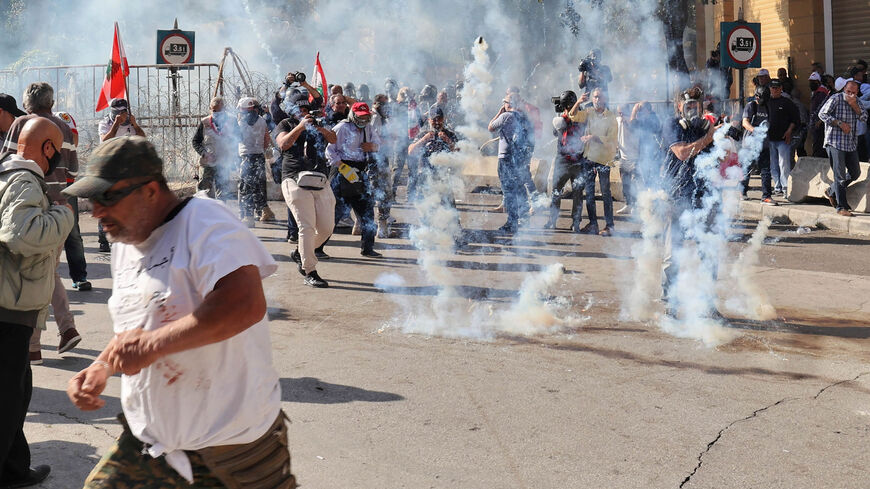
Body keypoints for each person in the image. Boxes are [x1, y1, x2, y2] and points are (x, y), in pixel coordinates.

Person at [64, 136, 295, 489]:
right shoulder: (127, 241)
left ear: (151, 190)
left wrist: (153, 346)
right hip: (151, 442)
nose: (96, 211)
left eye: (107, 197)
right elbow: (139, 327)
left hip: (230, 449)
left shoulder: (205, 222)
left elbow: (244, 304)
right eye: (92, 199)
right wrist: (103, 365)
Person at [0, 117, 74, 489]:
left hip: (12, 306)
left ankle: (14, 469)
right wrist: (63, 213)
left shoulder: (7, 176)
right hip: (8, 311)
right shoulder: (23, 180)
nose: (57, 158)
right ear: (47, 149)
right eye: (56, 150)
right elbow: (22, 234)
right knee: (7, 400)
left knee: (16, 392)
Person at [2, 82, 85, 363]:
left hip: (27, 207)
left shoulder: (23, 124)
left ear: (28, 103)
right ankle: (65, 329)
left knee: (33, 273)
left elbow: (8, 159)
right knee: (48, 270)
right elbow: (73, 169)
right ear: (51, 102)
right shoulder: (64, 126)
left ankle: (32, 346)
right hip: (60, 209)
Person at [660, 87, 717, 312]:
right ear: (679, 107)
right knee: (673, 252)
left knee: (709, 251)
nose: (693, 109)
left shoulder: (704, 127)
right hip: (678, 194)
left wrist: (716, 137)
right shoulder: (672, 125)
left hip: (703, 194)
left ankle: (707, 305)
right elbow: (682, 153)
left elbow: (714, 157)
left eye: (696, 105)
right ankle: (670, 304)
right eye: (688, 106)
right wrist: (707, 138)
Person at [277, 95, 337, 287]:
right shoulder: (285, 124)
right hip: (294, 179)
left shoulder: (318, 123)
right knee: (307, 227)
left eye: (305, 110)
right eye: (299, 109)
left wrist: (318, 126)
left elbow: (333, 139)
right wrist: (300, 126)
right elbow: (283, 144)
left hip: (319, 178)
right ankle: (310, 270)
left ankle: (300, 253)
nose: (303, 113)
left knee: (327, 228)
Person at [326, 102, 383, 257]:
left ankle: (368, 248)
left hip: (360, 172)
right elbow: (329, 151)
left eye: (366, 116)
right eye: (360, 116)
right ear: (353, 114)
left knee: (367, 212)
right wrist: (343, 168)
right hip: (341, 171)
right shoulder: (342, 128)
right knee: (335, 213)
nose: (363, 119)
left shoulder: (369, 128)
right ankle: (318, 247)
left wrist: (372, 146)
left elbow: (378, 144)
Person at [568, 88, 619, 236]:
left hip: (603, 160)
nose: (597, 100)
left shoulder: (611, 118)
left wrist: (594, 138)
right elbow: (572, 116)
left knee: (605, 193)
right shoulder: (589, 112)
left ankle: (610, 226)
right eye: (595, 97)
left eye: (599, 97)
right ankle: (593, 224)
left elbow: (611, 142)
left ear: (605, 99)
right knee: (589, 193)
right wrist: (578, 102)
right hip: (589, 158)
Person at [818, 79, 868, 217]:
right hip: (835, 142)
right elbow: (822, 114)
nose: (850, 95)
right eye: (848, 92)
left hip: (850, 143)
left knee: (855, 173)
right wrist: (839, 123)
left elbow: (864, 117)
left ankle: (832, 191)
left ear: (857, 92)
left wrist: (855, 106)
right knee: (839, 175)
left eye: (853, 93)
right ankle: (841, 207)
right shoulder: (836, 98)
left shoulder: (856, 101)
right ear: (844, 89)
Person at [488, 92, 535, 235]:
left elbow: (491, 127)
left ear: (509, 104)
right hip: (518, 159)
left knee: (508, 191)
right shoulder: (524, 118)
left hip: (506, 158)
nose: (504, 104)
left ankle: (512, 222)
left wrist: (499, 112)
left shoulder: (505, 116)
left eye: (505, 101)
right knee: (519, 189)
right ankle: (523, 219)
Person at [547, 90, 586, 230]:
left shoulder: (565, 118)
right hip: (576, 159)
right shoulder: (583, 116)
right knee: (576, 194)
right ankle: (575, 223)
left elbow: (555, 130)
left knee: (557, 192)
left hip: (565, 159)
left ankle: (553, 221)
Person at [236, 97, 274, 226]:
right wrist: (261, 149)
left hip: (246, 157)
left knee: (245, 187)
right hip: (258, 156)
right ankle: (265, 211)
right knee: (258, 185)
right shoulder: (262, 121)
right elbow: (266, 139)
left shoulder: (240, 123)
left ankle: (248, 217)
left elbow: (235, 139)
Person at [192, 96, 237, 200]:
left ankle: (220, 215)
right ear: (210, 109)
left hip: (224, 164)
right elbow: (195, 141)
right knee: (204, 193)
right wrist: (204, 153)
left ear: (224, 108)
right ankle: (203, 215)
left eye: (219, 110)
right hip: (208, 164)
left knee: (223, 193)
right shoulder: (205, 122)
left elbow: (238, 140)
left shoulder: (232, 121)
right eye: (214, 110)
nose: (216, 112)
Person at [741, 84, 776, 205]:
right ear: (757, 96)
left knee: (766, 170)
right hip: (750, 144)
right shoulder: (751, 106)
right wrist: (754, 130)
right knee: (746, 168)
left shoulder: (768, 107)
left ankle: (766, 196)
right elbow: (745, 122)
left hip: (764, 144)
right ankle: (742, 191)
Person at [765, 79, 800, 197]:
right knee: (773, 164)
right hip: (769, 138)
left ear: (781, 89)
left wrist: (789, 131)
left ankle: (785, 186)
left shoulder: (787, 102)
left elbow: (795, 119)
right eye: (772, 87)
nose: (774, 90)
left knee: (784, 163)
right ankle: (777, 186)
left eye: (776, 88)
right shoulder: (766, 102)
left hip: (783, 139)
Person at [809, 72, 831, 157]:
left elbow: (825, 108)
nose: (810, 84)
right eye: (810, 81)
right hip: (816, 125)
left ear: (818, 82)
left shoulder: (822, 93)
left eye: (813, 82)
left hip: (820, 125)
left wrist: (820, 121)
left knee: (819, 147)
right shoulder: (816, 93)